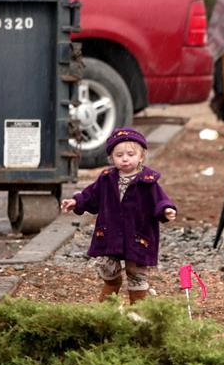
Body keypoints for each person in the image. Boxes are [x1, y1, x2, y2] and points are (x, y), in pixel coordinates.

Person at [61, 127, 177, 304]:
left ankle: (138, 310)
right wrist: (77, 202)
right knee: (107, 268)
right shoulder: (107, 178)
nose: (125, 159)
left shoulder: (148, 182)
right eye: (119, 155)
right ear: (111, 158)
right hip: (110, 234)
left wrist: (166, 210)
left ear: (141, 156)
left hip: (138, 234)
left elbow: (160, 200)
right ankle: (109, 303)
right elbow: (91, 195)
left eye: (130, 154)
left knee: (136, 273)